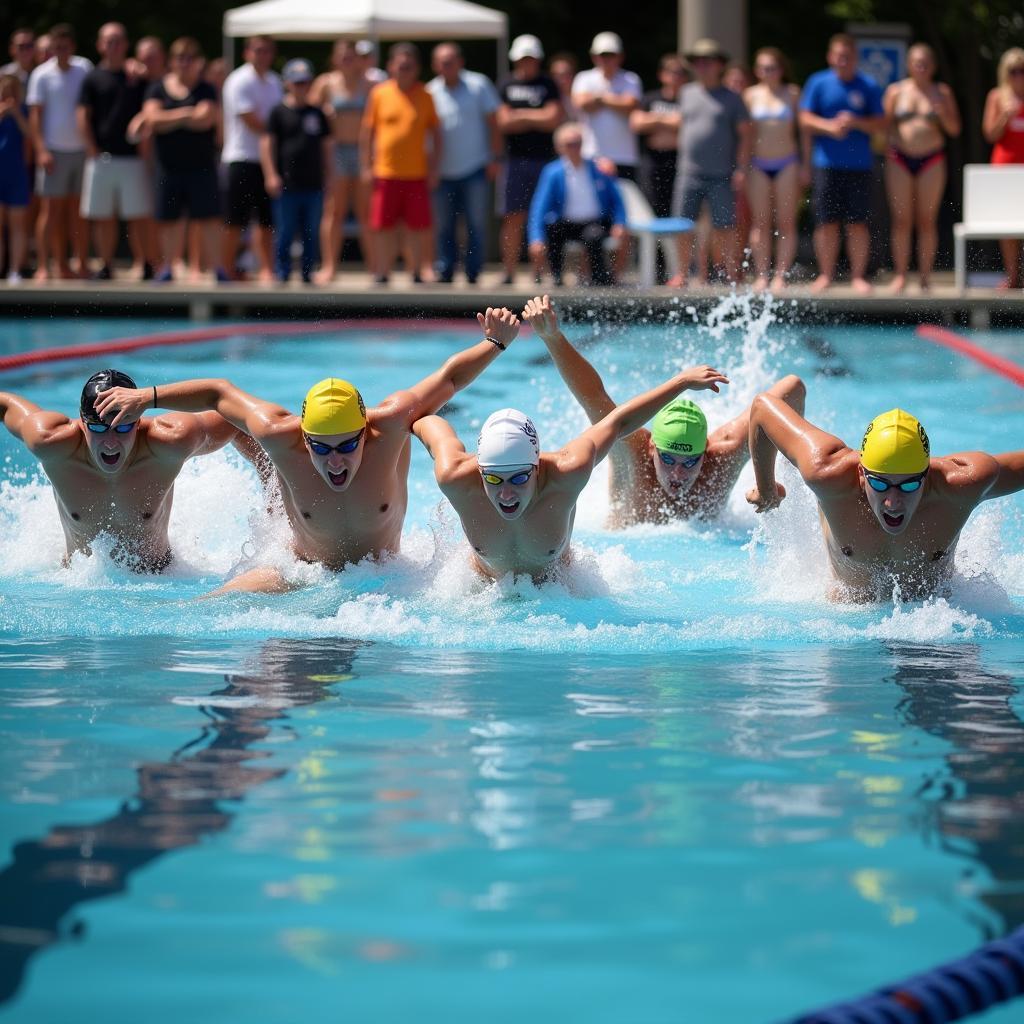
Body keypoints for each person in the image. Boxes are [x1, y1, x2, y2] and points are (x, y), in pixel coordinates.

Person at [91, 306, 523, 595]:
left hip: (386, 577)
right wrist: (147, 397)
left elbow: (448, 378)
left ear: (364, 432)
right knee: (201, 611)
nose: (334, 460)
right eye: (321, 448)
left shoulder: (389, 426)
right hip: (301, 574)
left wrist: (495, 343)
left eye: (346, 445)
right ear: (304, 437)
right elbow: (218, 392)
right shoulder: (282, 434)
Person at [412, 297, 730, 581]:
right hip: (483, 591)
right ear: (479, 469)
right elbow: (422, 418)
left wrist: (680, 382)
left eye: (520, 477)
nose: (506, 493)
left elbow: (617, 421)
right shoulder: (455, 476)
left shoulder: (568, 472)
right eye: (493, 478)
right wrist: (493, 344)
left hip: (558, 590)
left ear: (537, 466)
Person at [526, 294, 804, 525]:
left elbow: (793, 387)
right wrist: (553, 338)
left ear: (705, 452)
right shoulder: (632, 451)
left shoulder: (722, 458)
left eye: (690, 462)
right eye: (668, 460)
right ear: (651, 448)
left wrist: (767, 484)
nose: (678, 475)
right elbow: (593, 397)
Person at [746, 401, 1024, 602]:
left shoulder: (961, 485)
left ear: (926, 477)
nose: (893, 501)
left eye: (909, 484)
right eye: (879, 483)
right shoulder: (828, 474)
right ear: (861, 473)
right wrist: (766, 490)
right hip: (848, 623)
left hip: (935, 620)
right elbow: (762, 409)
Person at [0, 369, 240, 572]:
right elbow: (6, 406)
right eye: (98, 428)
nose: (111, 441)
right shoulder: (51, 442)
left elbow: (236, 421)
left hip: (161, 578)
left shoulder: (169, 441)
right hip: (76, 581)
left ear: (138, 422)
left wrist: (273, 500)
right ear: (82, 423)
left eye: (123, 428)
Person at [799, 33, 885, 294]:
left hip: (859, 166)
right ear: (830, 56)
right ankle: (826, 274)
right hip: (826, 164)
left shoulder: (868, 85)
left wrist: (856, 123)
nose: (842, 60)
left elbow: (881, 123)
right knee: (826, 222)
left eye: (847, 56)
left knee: (857, 223)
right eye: (838, 55)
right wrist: (829, 127)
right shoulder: (818, 82)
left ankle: (858, 276)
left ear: (855, 58)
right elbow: (804, 119)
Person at [134, 37, 220, 283]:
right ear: (172, 61)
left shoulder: (206, 88)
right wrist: (186, 114)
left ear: (197, 62)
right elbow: (153, 120)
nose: (184, 63)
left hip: (201, 165)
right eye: (180, 58)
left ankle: (217, 269)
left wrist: (169, 118)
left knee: (208, 218)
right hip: (168, 166)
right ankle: (168, 268)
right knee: (168, 221)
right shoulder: (157, 88)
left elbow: (206, 119)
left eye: (189, 58)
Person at [669, 37, 751, 288]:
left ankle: (726, 272)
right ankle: (682, 273)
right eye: (698, 61)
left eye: (708, 61)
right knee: (682, 224)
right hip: (688, 172)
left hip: (721, 173)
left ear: (719, 65)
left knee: (724, 226)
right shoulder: (685, 92)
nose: (703, 66)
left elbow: (746, 136)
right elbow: (678, 126)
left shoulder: (732, 98)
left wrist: (742, 169)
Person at [360, 43, 441, 285]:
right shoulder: (379, 93)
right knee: (383, 226)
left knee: (417, 226)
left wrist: (434, 168)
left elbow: (436, 134)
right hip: (385, 172)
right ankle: (382, 272)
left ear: (416, 68)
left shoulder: (426, 95)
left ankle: (415, 271)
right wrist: (366, 166)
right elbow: (367, 133)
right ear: (390, 66)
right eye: (400, 65)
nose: (404, 70)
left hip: (416, 173)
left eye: (409, 66)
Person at [883, 43, 961, 294]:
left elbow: (954, 130)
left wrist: (942, 115)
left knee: (927, 220)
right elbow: (882, 127)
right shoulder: (896, 92)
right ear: (909, 65)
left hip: (931, 158)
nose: (921, 67)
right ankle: (901, 275)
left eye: (926, 63)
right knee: (902, 220)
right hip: (900, 158)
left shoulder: (942, 92)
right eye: (917, 62)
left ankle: (925, 277)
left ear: (933, 66)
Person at [76, 22, 151, 282]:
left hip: (132, 158)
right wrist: (91, 148)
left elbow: (152, 105)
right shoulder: (92, 78)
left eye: (118, 40)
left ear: (126, 44)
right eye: (109, 40)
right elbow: (83, 115)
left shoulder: (138, 78)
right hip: (102, 157)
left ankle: (145, 264)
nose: (114, 45)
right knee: (102, 216)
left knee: (137, 215)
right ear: (100, 45)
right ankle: (106, 265)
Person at [427, 42, 501, 284]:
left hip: (475, 167)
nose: (446, 66)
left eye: (450, 61)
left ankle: (473, 272)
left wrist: (495, 157)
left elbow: (494, 122)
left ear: (460, 61)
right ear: (435, 65)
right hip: (442, 171)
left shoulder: (479, 85)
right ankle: (445, 270)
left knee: (476, 224)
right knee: (444, 225)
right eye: (442, 61)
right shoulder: (430, 91)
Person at [26, 23, 92, 280]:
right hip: (53, 151)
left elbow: (91, 106)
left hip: (80, 151)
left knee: (79, 213)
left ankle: (81, 264)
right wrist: (41, 149)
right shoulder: (41, 75)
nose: (61, 52)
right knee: (50, 212)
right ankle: (47, 265)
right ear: (51, 49)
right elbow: (35, 116)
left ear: (72, 48)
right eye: (56, 48)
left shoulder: (84, 68)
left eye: (65, 48)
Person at [497, 34, 563, 285]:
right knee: (513, 216)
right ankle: (509, 271)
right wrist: (537, 116)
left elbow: (553, 119)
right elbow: (503, 122)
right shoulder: (505, 84)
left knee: (545, 216)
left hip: (544, 160)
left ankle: (539, 272)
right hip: (514, 160)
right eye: (523, 59)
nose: (527, 64)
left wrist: (520, 116)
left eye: (531, 59)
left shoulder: (548, 84)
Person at [527, 121, 626, 287]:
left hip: (592, 223)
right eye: (570, 144)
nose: (575, 148)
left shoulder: (599, 168)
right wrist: (535, 238)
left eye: (578, 143)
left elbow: (617, 201)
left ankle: (599, 280)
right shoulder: (553, 172)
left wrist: (620, 223)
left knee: (594, 236)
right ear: (559, 147)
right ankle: (557, 276)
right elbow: (539, 208)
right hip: (565, 223)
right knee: (553, 229)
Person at [261, 59, 331, 284]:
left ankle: (307, 273)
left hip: (313, 183)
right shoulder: (278, 112)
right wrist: (271, 174)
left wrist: (330, 177)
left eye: (305, 83)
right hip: (287, 184)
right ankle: (282, 273)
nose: (301, 87)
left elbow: (327, 148)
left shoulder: (317, 114)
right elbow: (267, 145)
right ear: (288, 84)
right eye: (297, 83)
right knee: (285, 231)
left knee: (311, 231)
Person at [744, 47, 807, 291]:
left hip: (787, 161)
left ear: (781, 69)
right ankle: (762, 274)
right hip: (758, 163)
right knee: (760, 222)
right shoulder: (750, 95)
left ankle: (780, 274)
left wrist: (804, 164)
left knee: (786, 221)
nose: (767, 72)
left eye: (772, 67)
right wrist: (741, 166)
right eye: (762, 68)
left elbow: (803, 133)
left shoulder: (792, 94)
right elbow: (745, 136)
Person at [220, 36, 282, 283]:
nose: (262, 55)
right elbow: (253, 121)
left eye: (267, 51)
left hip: (266, 162)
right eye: (258, 50)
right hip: (240, 158)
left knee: (266, 220)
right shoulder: (238, 80)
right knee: (235, 220)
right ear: (247, 53)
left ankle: (267, 269)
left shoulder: (275, 81)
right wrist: (284, 130)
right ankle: (226, 270)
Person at [310, 40, 373, 283]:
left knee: (364, 212)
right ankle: (329, 266)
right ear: (335, 59)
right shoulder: (325, 83)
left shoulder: (368, 84)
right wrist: (324, 111)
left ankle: (373, 267)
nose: (347, 60)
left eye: (351, 56)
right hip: (335, 151)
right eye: (343, 56)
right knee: (334, 211)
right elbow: (308, 113)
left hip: (361, 150)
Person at [982, 47, 1024, 289]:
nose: (1018, 76)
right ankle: (1012, 276)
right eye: (1013, 71)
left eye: (1022, 70)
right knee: (1007, 224)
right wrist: (1004, 117)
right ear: (1005, 73)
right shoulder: (996, 97)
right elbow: (989, 134)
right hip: (1005, 168)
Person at [631, 54, 689, 220]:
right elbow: (636, 123)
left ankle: (674, 247)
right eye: (672, 72)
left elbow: (687, 126)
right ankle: (653, 247)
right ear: (662, 74)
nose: (676, 77)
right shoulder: (650, 97)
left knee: (677, 210)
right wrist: (670, 121)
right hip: (652, 161)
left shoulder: (689, 100)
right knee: (650, 210)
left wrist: (655, 120)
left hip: (679, 161)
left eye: (681, 73)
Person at [0, 74, 30, 282]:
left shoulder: (25, 111)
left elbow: (32, 135)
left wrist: (17, 115)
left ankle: (15, 270)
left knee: (17, 224)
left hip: (17, 173)